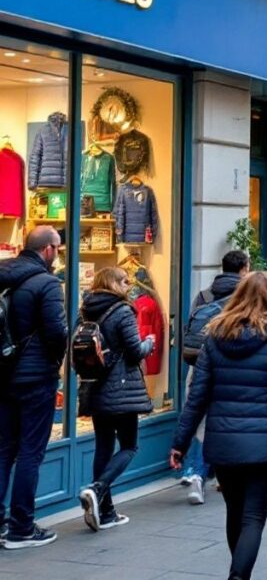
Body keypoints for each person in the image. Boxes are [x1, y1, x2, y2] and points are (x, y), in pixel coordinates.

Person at [170, 271, 267, 580]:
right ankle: (238, 576)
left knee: (234, 512)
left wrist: (180, 442)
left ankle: (239, 571)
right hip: (265, 444)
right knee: (253, 518)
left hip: (223, 444)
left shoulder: (215, 338)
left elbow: (198, 397)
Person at [0, 226, 67, 548]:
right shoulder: (47, 283)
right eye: (58, 248)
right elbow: (57, 332)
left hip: (4, 374)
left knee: (4, 450)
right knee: (30, 451)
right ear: (49, 250)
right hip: (35, 377)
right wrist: (53, 364)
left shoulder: (4, 275)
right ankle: (21, 528)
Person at [77, 268, 155, 531]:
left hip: (95, 388)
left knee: (103, 447)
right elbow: (134, 352)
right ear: (111, 283)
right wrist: (150, 343)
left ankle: (106, 511)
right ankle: (96, 489)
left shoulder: (85, 311)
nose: (129, 284)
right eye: (124, 280)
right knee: (130, 446)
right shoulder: (123, 311)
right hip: (122, 390)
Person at [181, 250, 249, 504]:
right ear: (244, 268)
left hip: (201, 366)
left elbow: (191, 330)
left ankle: (198, 474)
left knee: (202, 421)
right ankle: (207, 473)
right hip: (233, 369)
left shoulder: (204, 294)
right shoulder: (247, 297)